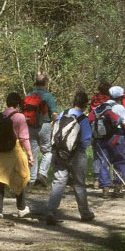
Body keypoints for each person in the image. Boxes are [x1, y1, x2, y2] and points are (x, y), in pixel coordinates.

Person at [45, 91, 96, 223]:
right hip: (76, 156)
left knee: (58, 182)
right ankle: (85, 213)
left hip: (59, 153)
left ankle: (51, 211)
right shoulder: (83, 119)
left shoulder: (63, 113)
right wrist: (79, 150)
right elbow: (85, 139)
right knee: (79, 184)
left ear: (74, 102)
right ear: (85, 105)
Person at [0, 91, 32, 220]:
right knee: (19, 179)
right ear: (18, 104)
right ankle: (21, 208)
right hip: (14, 150)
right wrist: (30, 154)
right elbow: (24, 138)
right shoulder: (20, 117)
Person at [90, 84, 125, 197]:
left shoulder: (101, 106)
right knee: (119, 161)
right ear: (120, 97)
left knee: (103, 162)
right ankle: (117, 188)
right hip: (116, 138)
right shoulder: (119, 107)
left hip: (101, 139)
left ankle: (105, 188)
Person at [23, 76, 60, 186]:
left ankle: (32, 179)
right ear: (45, 83)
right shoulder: (48, 96)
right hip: (44, 125)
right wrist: (52, 124)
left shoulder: (28, 95)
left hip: (30, 126)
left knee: (32, 153)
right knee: (47, 151)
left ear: (35, 83)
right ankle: (42, 174)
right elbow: (54, 114)